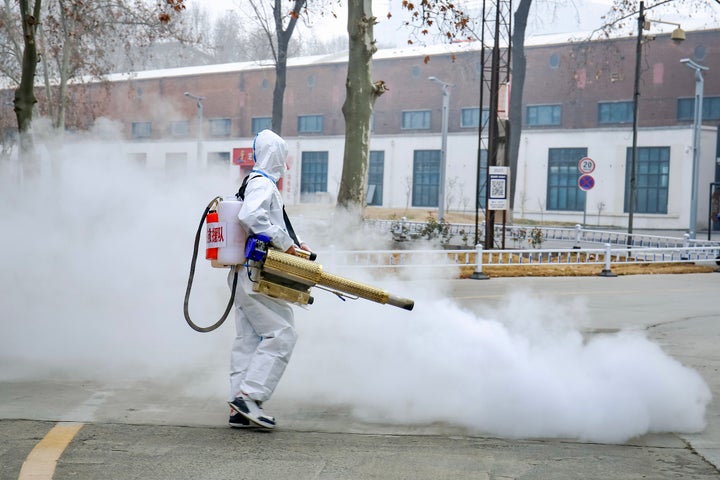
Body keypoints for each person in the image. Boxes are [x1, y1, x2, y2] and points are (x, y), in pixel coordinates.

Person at [227, 129, 310, 429]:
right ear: (276, 156)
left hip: (243, 273)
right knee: (282, 332)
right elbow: (251, 217)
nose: (286, 165)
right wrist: (285, 243)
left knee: (249, 339)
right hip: (255, 274)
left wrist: (295, 245)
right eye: (284, 158)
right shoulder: (262, 184)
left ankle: (239, 406)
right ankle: (250, 397)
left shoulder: (253, 183)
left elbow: (265, 222)